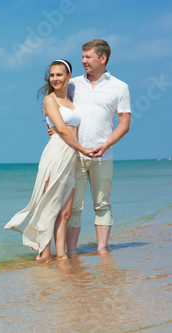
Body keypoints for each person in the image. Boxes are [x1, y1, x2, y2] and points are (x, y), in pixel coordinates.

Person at [4, 59, 94, 261]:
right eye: (52, 75)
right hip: (57, 153)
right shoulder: (49, 100)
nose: (55, 78)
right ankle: (44, 254)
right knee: (49, 206)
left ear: (68, 76)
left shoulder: (71, 100)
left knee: (66, 212)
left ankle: (61, 255)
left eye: (59, 74)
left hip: (70, 157)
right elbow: (61, 129)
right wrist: (83, 149)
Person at [63, 39, 131, 256]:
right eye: (82, 57)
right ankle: (72, 253)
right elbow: (58, 109)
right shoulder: (72, 84)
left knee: (102, 204)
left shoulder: (120, 87)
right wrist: (53, 129)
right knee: (74, 207)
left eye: (87, 57)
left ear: (102, 59)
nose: (83, 61)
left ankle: (102, 251)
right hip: (75, 154)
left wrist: (106, 145)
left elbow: (124, 123)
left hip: (103, 155)